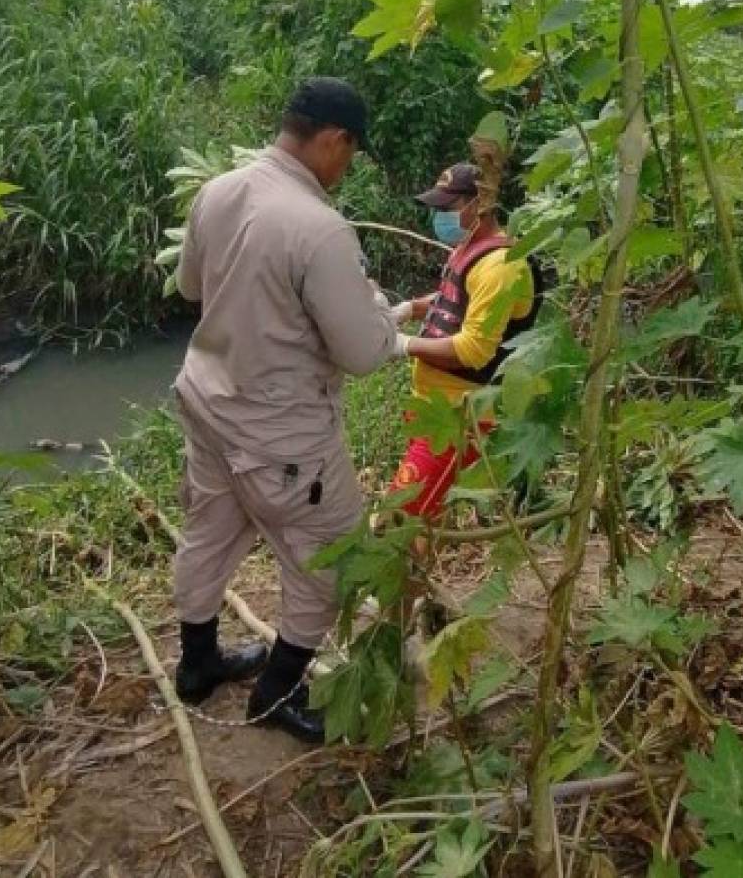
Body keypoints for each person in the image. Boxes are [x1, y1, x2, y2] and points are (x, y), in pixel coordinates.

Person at [170, 77, 402, 743]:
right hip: (280, 432)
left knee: (209, 532)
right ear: (334, 140)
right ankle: (276, 692)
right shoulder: (320, 229)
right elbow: (361, 354)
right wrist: (379, 313)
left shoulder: (218, 191)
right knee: (332, 556)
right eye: (349, 154)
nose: (345, 169)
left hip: (208, 400)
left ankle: (197, 663)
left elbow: (191, 286)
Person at [388, 162, 543, 522]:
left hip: (462, 417)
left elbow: (474, 351)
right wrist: (410, 309)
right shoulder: (471, 249)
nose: (439, 216)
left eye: (448, 208)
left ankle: (403, 576)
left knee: (398, 523)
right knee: (421, 524)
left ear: (481, 204)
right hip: (434, 407)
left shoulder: (501, 266)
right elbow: (453, 298)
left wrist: (403, 345)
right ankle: (415, 576)